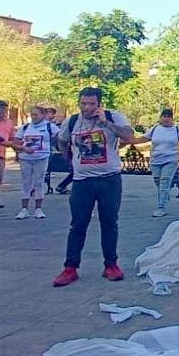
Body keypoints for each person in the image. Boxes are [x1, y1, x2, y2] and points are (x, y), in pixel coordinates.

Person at [52, 88, 135, 286]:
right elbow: (62, 141)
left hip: (109, 180)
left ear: (99, 104)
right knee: (78, 224)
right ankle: (70, 267)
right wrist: (70, 160)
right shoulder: (71, 121)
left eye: (91, 104)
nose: (87, 108)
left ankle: (111, 265)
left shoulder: (113, 116)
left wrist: (106, 123)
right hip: (82, 181)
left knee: (109, 222)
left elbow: (129, 137)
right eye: (83, 103)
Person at [128, 108, 179, 216]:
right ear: (161, 118)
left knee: (164, 180)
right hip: (156, 160)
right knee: (157, 180)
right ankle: (164, 193)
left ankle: (161, 207)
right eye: (164, 116)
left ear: (172, 118)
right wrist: (130, 140)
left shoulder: (176, 129)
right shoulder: (155, 129)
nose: (166, 119)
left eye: (169, 117)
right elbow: (144, 139)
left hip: (171, 159)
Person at [14, 106, 61, 220]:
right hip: (25, 158)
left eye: (36, 115)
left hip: (42, 157)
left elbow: (61, 137)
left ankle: (38, 209)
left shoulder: (50, 127)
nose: (34, 117)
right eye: (32, 115)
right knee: (26, 182)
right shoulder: (25, 127)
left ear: (43, 115)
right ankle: (24, 209)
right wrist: (24, 149)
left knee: (39, 182)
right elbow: (15, 142)